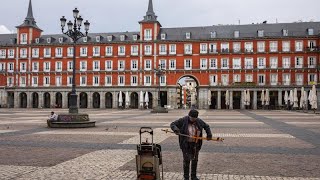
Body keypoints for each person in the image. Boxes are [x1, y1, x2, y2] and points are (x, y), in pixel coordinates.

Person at [170, 109, 212, 180]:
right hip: (186, 144)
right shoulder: (183, 120)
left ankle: (193, 176)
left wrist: (209, 134)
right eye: (192, 118)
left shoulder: (198, 121)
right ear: (189, 116)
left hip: (196, 144)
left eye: (194, 118)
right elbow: (172, 124)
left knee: (195, 160)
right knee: (186, 160)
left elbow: (206, 126)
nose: (193, 120)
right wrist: (176, 129)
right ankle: (186, 177)